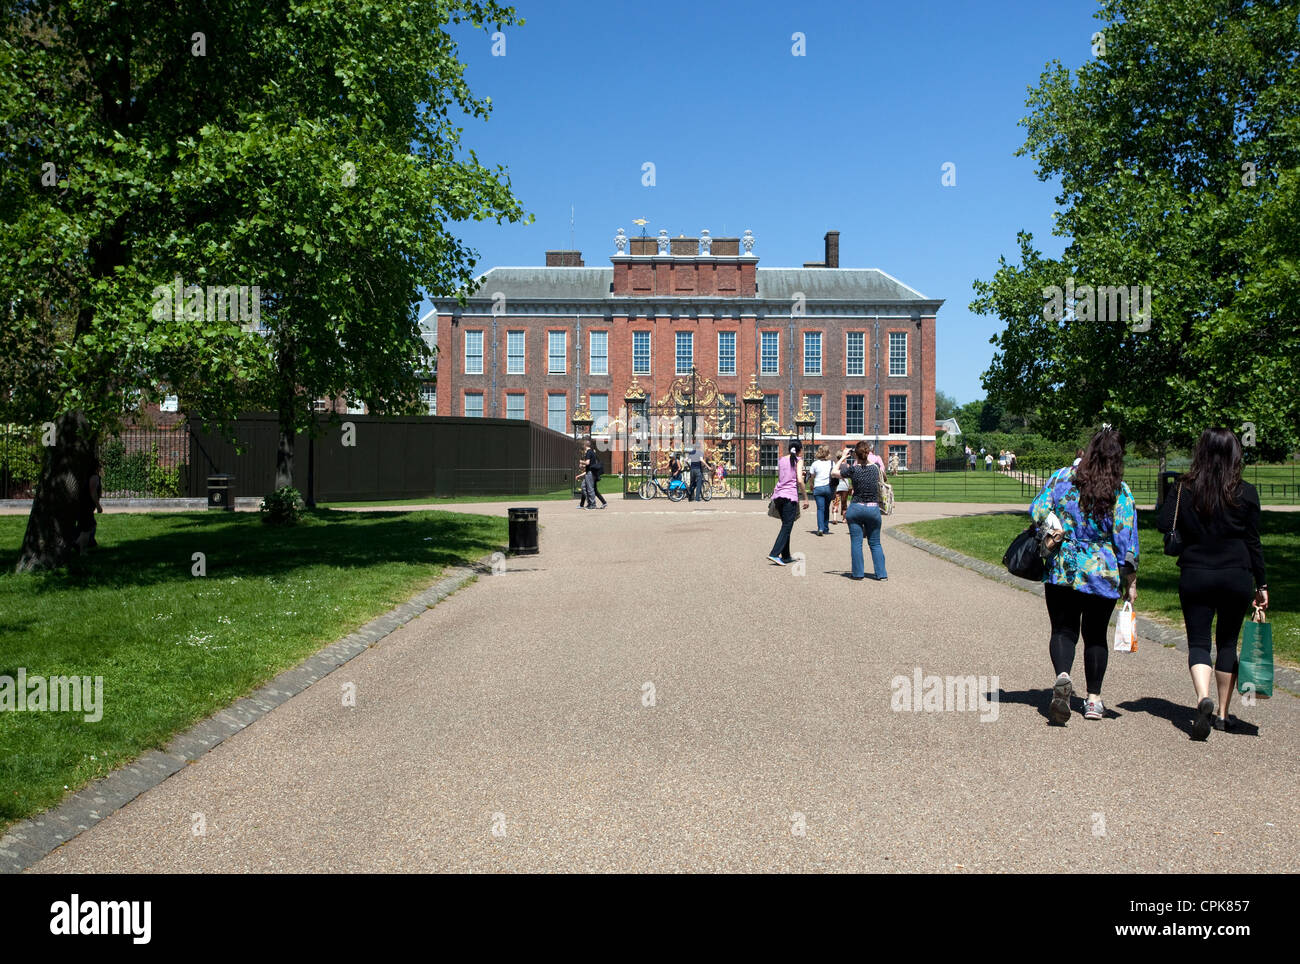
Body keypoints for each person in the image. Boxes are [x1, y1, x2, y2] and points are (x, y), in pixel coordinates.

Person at [1157, 428, 1268, 739]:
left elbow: (1163, 523)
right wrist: (1262, 584)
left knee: (1199, 643)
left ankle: (1202, 698)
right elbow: (1254, 542)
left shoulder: (1184, 488)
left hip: (1195, 572)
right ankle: (1222, 713)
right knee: (1228, 643)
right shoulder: (1245, 492)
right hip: (1236, 574)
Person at [1031, 426, 1139, 724]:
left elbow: (1037, 510)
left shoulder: (1062, 478)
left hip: (1062, 566)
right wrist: (1130, 579)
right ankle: (1093, 700)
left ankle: (1063, 676)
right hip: (1101, 571)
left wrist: (1057, 527)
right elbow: (1124, 537)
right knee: (1095, 635)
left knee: (1063, 630)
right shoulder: (1120, 490)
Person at [832, 442, 887, 580]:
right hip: (872, 508)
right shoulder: (876, 468)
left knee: (856, 543)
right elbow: (884, 477)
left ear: (855, 454)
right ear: (868, 453)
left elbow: (833, 472)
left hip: (856, 507)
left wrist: (843, 457)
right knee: (875, 543)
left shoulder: (853, 470)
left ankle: (857, 573)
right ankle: (881, 574)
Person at [766, 440, 808, 565]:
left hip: (778, 495)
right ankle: (774, 553)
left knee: (786, 525)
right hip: (790, 496)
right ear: (800, 449)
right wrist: (805, 497)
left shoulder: (782, 459)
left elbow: (785, 475)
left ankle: (786, 556)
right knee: (787, 526)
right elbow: (799, 480)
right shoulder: (799, 460)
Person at [76, 457, 104, 552]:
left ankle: (79, 544)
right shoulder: (94, 477)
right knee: (87, 528)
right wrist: (98, 506)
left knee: (89, 525)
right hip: (86, 506)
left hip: (83, 505)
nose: (101, 468)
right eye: (100, 466)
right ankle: (82, 550)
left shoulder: (86, 475)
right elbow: (93, 492)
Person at [807, 445, 834, 536]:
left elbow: (811, 476)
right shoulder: (832, 463)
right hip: (828, 487)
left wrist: (811, 484)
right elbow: (834, 474)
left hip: (818, 487)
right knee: (826, 508)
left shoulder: (815, 464)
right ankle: (826, 528)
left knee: (820, 509)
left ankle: (820, 528)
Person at [578, 438, 605, 510]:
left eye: (583, 445)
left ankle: (593, 504)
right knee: (584, 486)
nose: (583, 446)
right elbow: (590, 464)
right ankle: (590, 503)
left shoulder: (589, 452)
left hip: (590, 473)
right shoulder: (591, 452)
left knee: (590, 489)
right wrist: (583, 466)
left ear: (585, 445)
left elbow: (587, 463)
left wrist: (581, 462)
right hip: (590, 472)